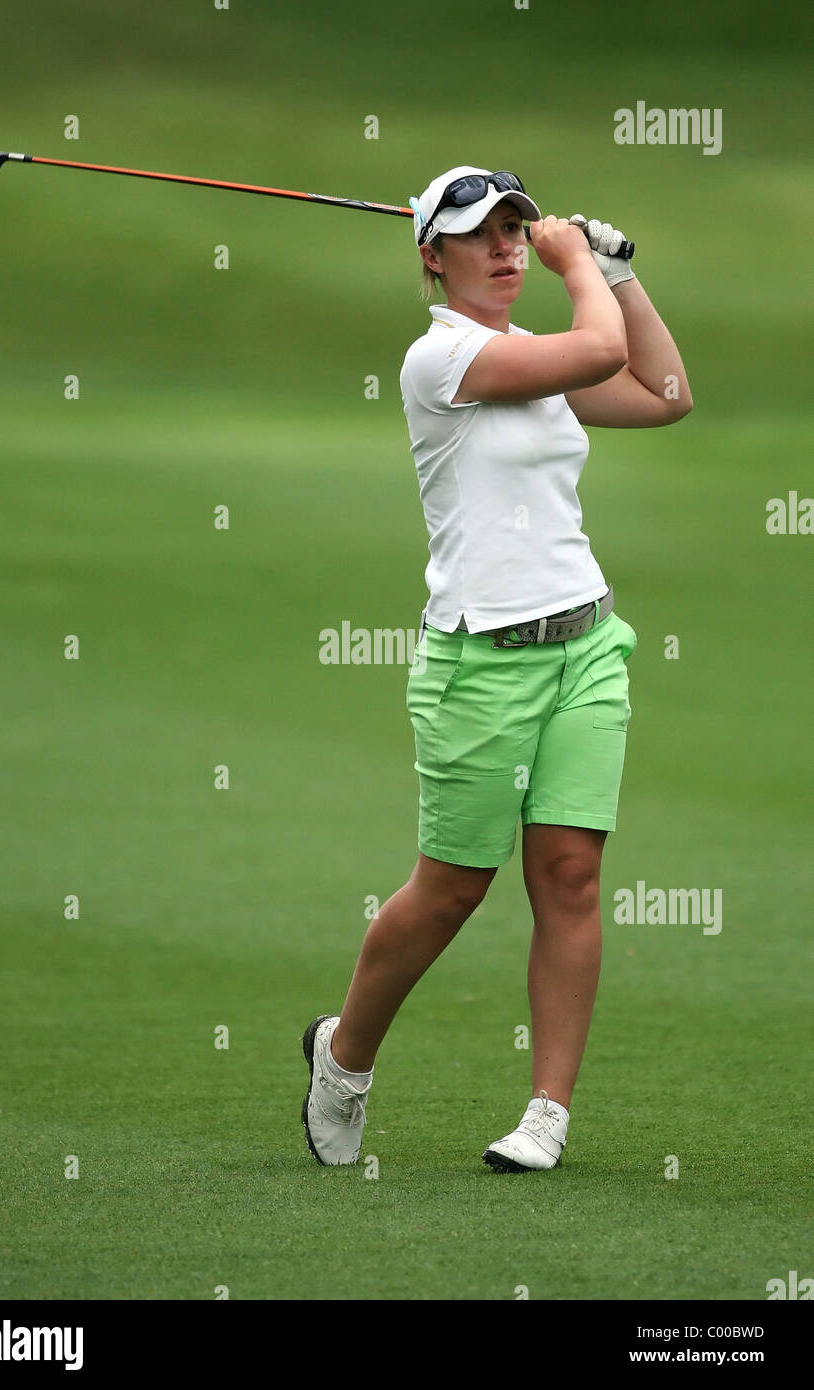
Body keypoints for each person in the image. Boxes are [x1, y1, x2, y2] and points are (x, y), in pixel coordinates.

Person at [301, 165, 692, 1172]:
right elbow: (599, 347)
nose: (509, 247)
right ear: (433, 255)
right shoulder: (442, 360)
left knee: (569, 873)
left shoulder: (534, 357)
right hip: (479, 662)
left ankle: (547, 1114)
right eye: (482, 234)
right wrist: (581, 264)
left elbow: (664, 393)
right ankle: (343, 1060)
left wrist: (619, 273)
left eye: (520, 230)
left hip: (586, 646)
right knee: (452, 889)